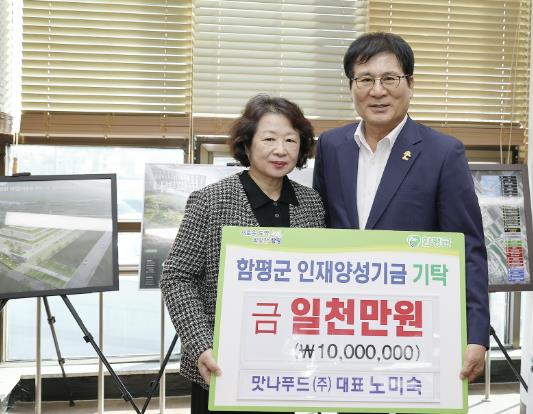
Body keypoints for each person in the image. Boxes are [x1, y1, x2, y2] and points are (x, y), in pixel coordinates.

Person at [313, 32, 490, 384]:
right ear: (351, 86)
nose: (377, 91)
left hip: (415, 327)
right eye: (365, 79)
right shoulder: (332, 146)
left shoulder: (443, 153)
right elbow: (321, 230)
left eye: (390, 79)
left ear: (410, 84)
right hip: (344, 324)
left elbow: (468, 248)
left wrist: (475, 334)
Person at [160, 94, 325, 414]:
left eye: (291, 140)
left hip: (285, 362)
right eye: (269, 139)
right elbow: (176, 277)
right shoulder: (211, 200)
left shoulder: (311, 203)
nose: (281, 150)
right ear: (247, 145)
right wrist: (201, 345)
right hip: (220, 361)